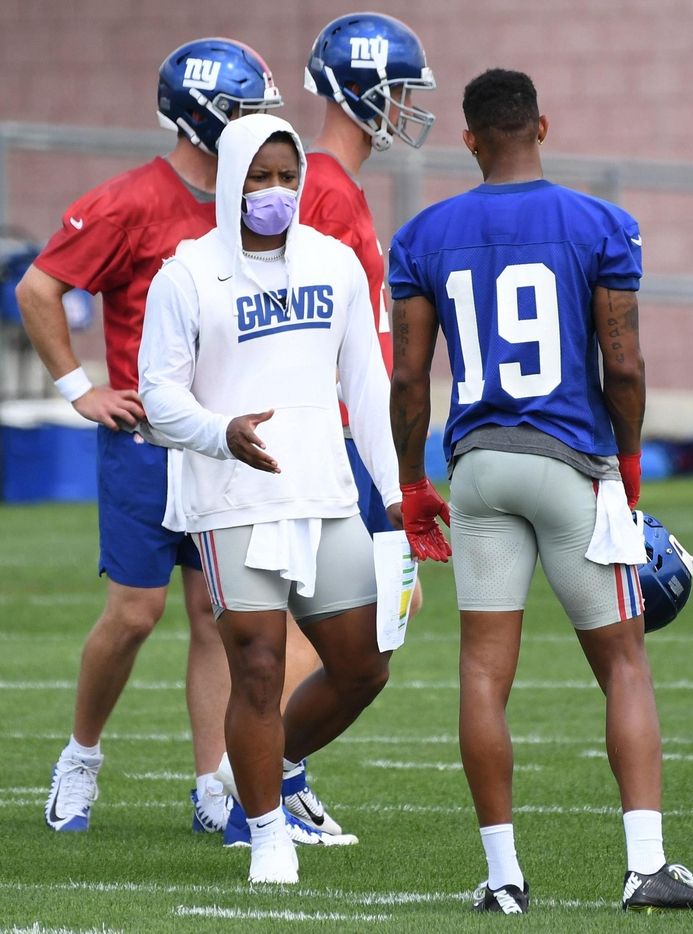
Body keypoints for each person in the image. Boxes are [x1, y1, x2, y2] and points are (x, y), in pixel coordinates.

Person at [388, 68, 693, 915]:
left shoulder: (422, 234)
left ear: (469, 137)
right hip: (569, 461)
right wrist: (626, 465)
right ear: (541, 127)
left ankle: (503, 879)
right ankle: (646, 866)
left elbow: (408, 381)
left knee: (483, 671)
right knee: (624, 665)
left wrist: (412, 484)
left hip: (476, 463)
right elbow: (621, 363)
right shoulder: (598, 222)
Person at [15, 37, 328, 838]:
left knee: (215, 615)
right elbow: (39, 286)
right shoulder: (130, 200)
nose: (261, 128)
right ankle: (80, 757)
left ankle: (214, 783)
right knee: (133, 613)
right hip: (150, 440)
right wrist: (79, 388)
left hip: (224, 444)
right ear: (204, 115)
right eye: (247, 109)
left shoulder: (253, 205)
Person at [138, 112, 400, 884]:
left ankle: (274, 767)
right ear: (229, 182)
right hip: (231, 498)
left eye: (288, 176)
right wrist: (222, 432)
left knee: (364, 667)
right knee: (257, 664)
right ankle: (266, 836)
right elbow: (157, 395)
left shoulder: (335, 263)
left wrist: (398, 495)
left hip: (325, 493)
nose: (277, 191)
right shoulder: (186, 273)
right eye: (260, 176)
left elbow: (367, 384)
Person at [300, 11, 437, 617]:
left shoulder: (338, 185)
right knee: (341, 620)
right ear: (366, 89)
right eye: (400, 90)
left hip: (359, 430)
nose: (406, 106)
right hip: (337, 434)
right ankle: (273, 719)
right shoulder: (323, 188)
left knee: (385, 611)